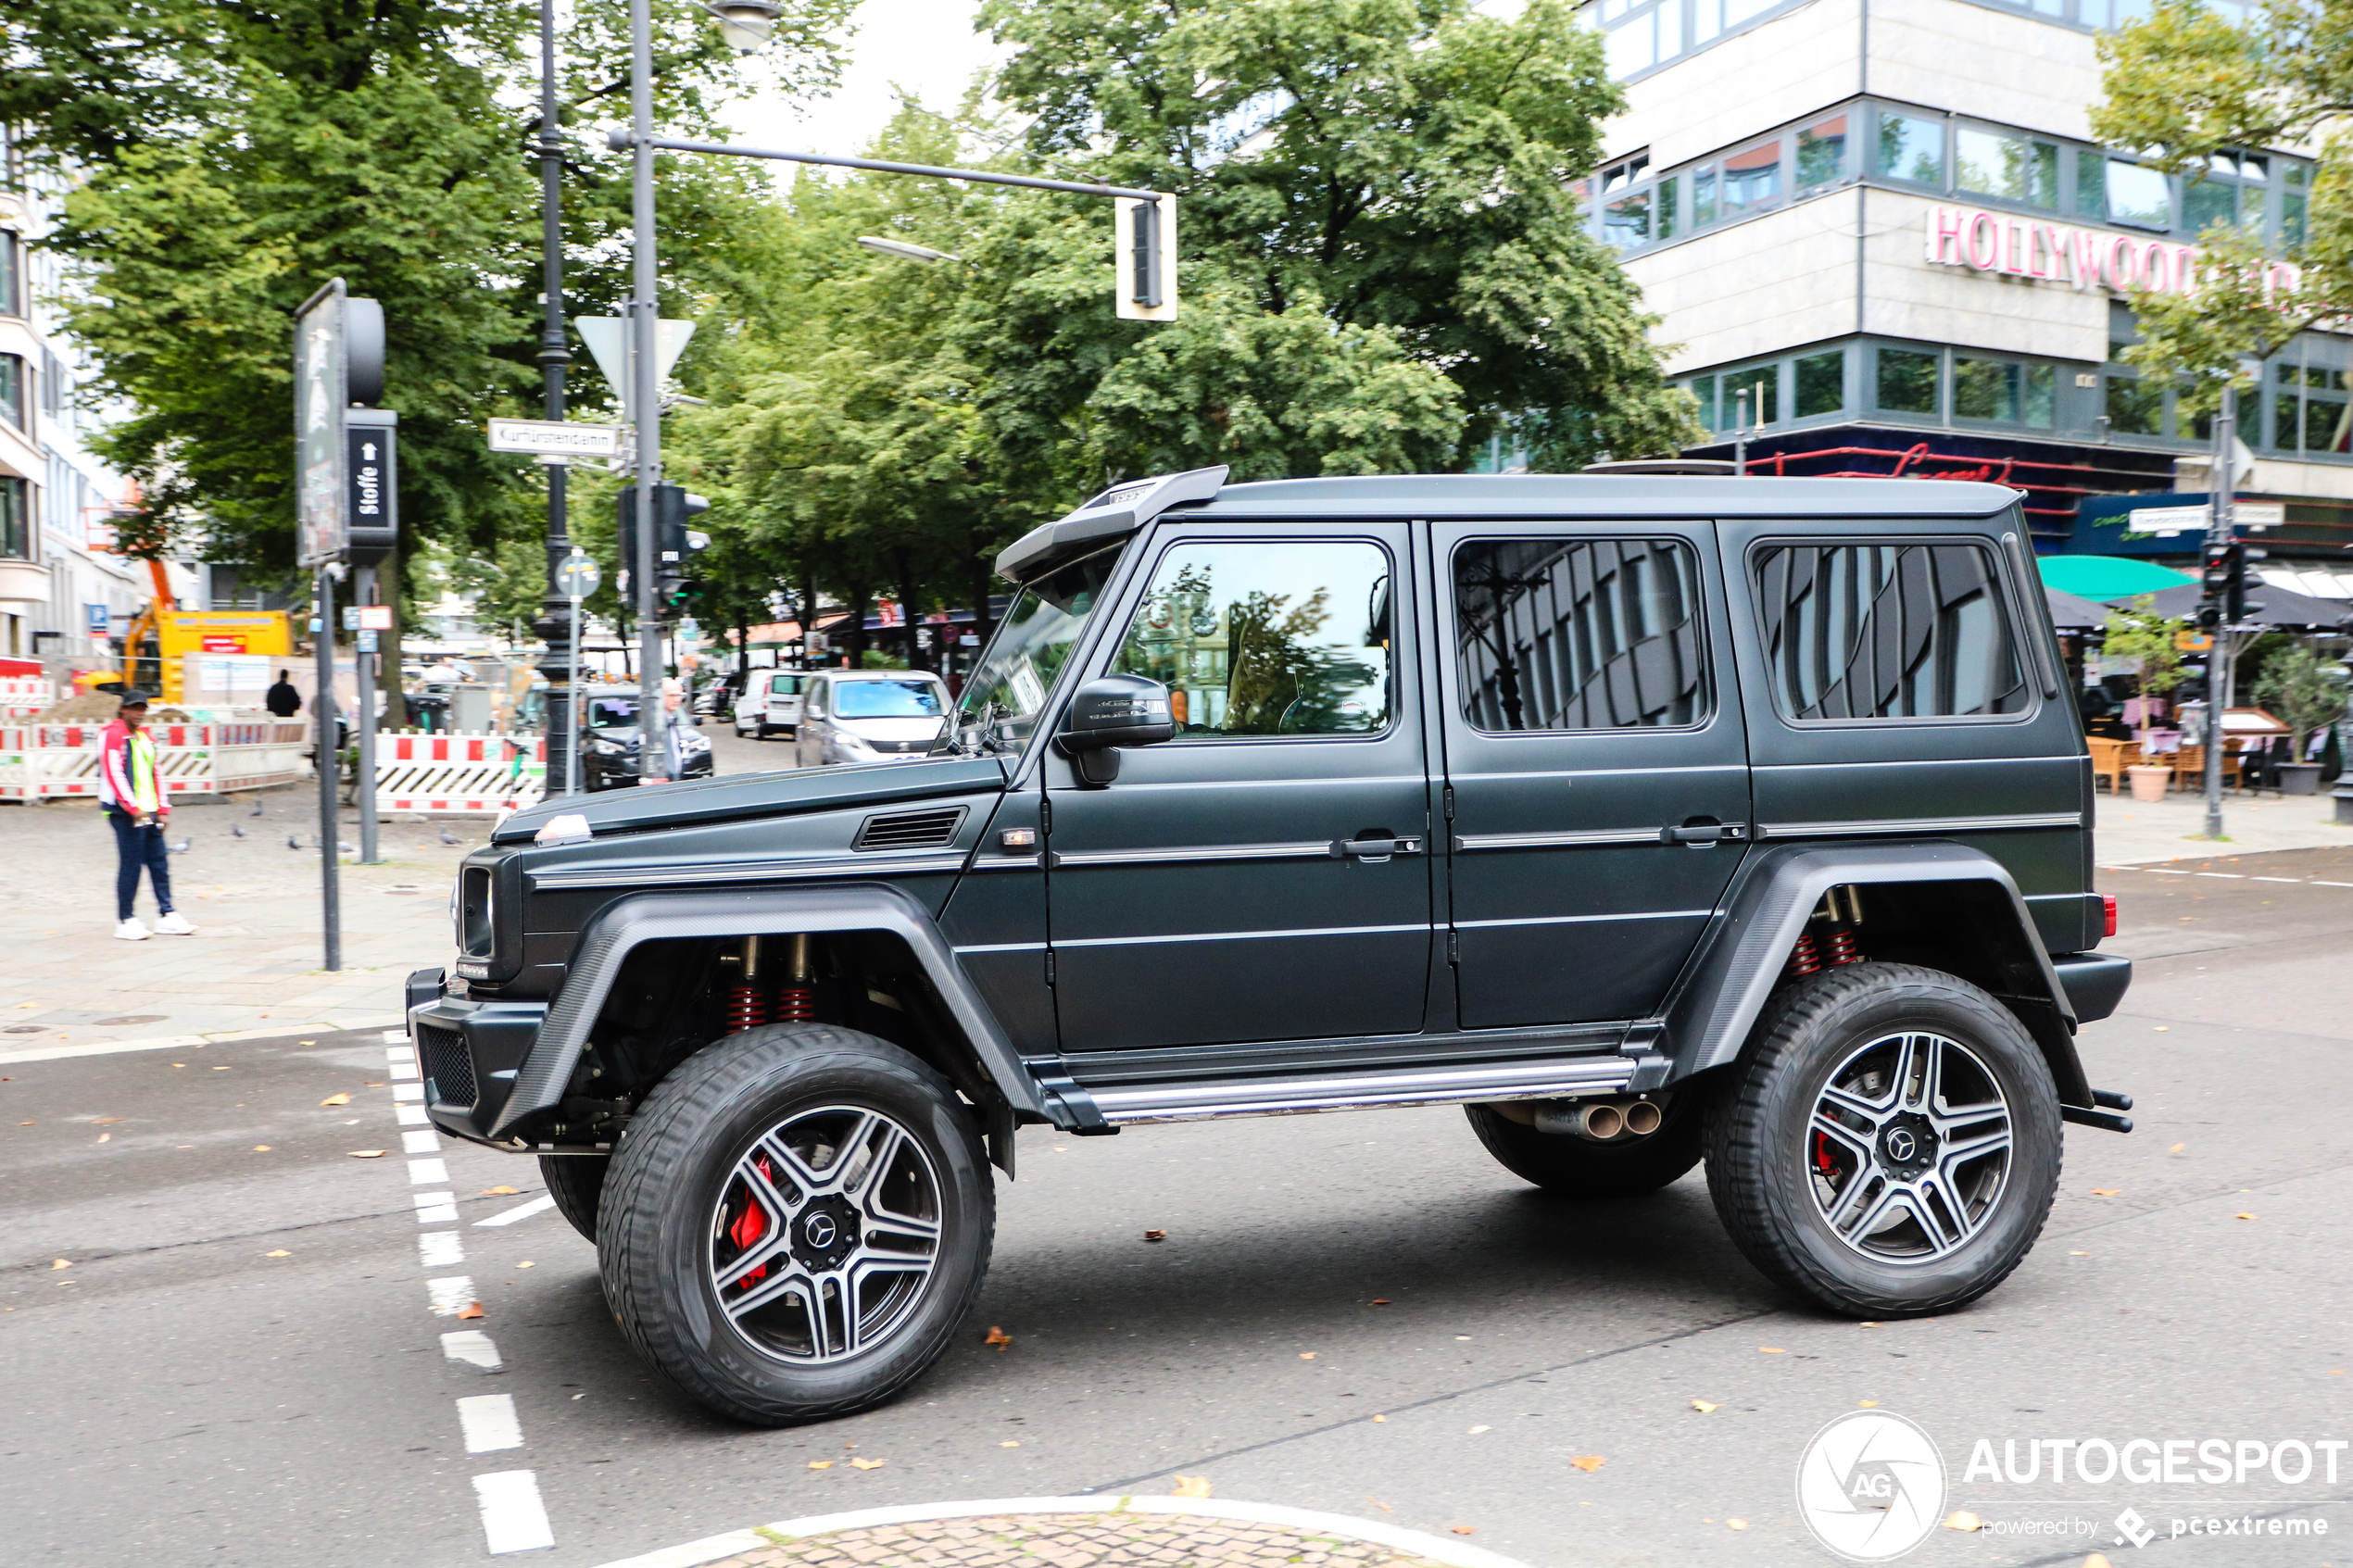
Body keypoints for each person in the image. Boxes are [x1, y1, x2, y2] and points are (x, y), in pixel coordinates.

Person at [99, 691, 195, 940]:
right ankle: (125, 919)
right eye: (134, 708)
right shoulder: (114, 734)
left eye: (142, 708)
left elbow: (156, 773)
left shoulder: (144, 736)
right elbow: (114, 772)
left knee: (159, 864)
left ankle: (167, 914)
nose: (139, 712)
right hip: (127, 812)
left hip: (149, 810)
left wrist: (163, 809)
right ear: (123, 710)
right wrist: (133, 808)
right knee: (131, 866)